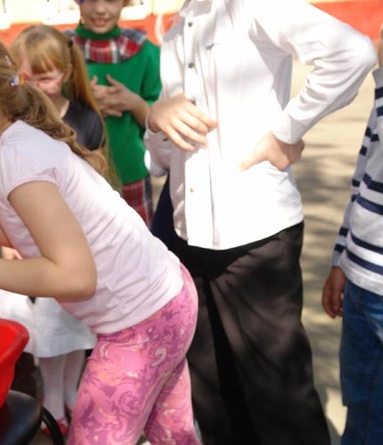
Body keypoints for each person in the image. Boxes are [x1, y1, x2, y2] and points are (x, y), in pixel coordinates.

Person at [0, 23, 201, 445]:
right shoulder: (14, 148)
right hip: (167, 301)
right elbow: (33, 235)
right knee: (173, 435)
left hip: (142, 324)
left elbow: (75, 277)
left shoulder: (16, 161)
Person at [143, 1, 377, 444]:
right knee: (211, 389)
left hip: (255, 234)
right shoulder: (173, 32)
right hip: (188, 234)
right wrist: (156, 122)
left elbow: (352, 53)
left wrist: (286, 131)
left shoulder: (253, 5)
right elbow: (159, 162)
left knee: (278, 397)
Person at [0, 23, 111, 436]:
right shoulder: (14, 124)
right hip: (32, 246)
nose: (37, 86)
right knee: (46, 333)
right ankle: (52, 401)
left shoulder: (84, 119)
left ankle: (71, 395)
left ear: (64, 72)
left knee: (75, 330)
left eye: (45, 76)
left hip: (74, 245)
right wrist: (6, 240)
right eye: (26, 77)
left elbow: (98, 178)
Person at [322, 23, 383, 445]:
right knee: (359, 403)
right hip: (360, 279)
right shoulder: (381, 94)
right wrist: (341, 259)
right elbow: (362, 178)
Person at [65, 0, 160, 225]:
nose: (100, 9)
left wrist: (134, 103)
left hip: (131, 172)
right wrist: (83, 101)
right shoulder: (60, 50)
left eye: (110, 0)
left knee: (139, 247)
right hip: (74, 177)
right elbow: (42, 110)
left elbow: (160, 117)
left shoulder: (145, 53)